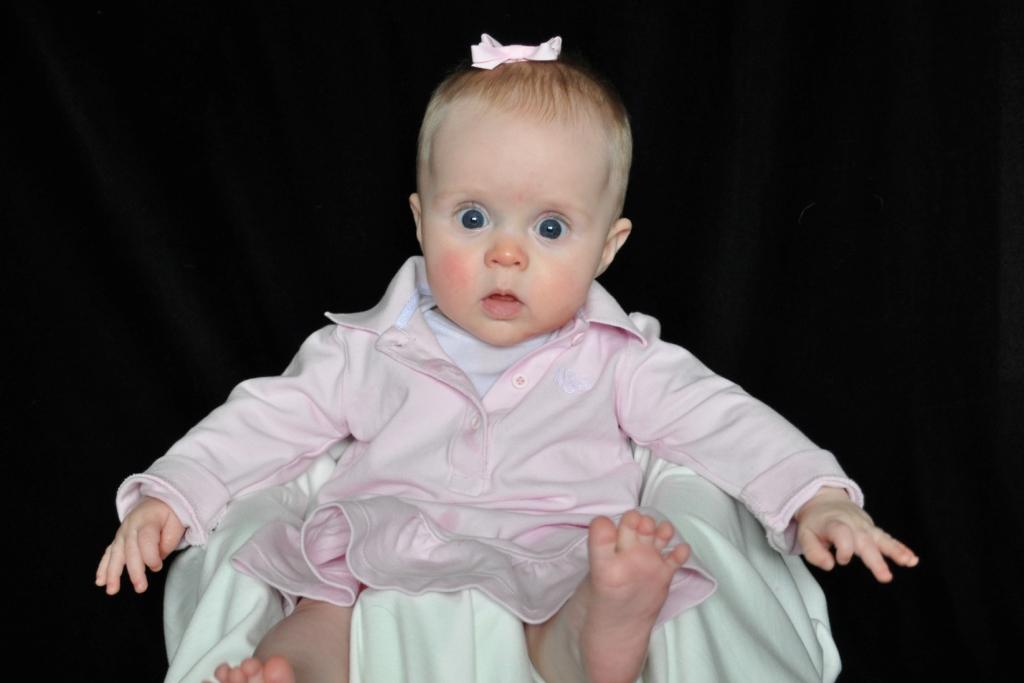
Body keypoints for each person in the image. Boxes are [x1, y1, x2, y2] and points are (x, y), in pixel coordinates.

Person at [96, 34, 918, 683]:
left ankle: (602, 630)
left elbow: (723, 420)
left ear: (607, 248)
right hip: (387, 540)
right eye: (473, 217)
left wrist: (816, 496)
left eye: (550, 227)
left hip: (551, 548)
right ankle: (289, 672)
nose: (506, 254)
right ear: (420, 220)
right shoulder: (368, 346)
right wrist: (171, 493)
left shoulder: (619, 356)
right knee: (319, 611)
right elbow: (266, 417)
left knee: (561, 619)